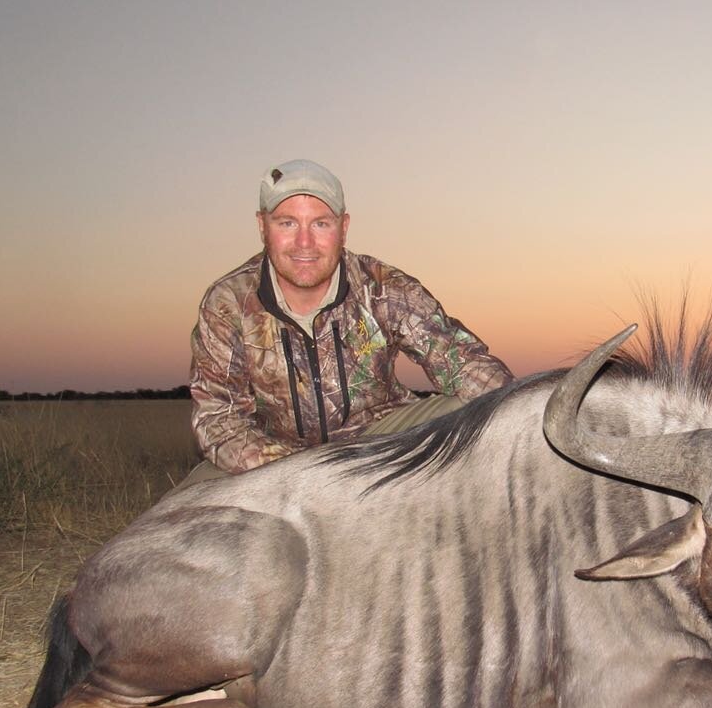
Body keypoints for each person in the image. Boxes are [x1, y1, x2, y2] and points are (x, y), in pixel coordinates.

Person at [185, 159, 512, 483]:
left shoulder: (383, 287)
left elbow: (463, 361)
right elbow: (219, 419)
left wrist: (522, 417)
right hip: (277, 461)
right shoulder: (228, 303)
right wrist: (315, 473)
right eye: (287, 223)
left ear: (343, 227)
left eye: (320, 224)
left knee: (468, 407)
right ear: (261, 226)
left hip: (381, 445)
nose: (304, 243)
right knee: (192, 501)